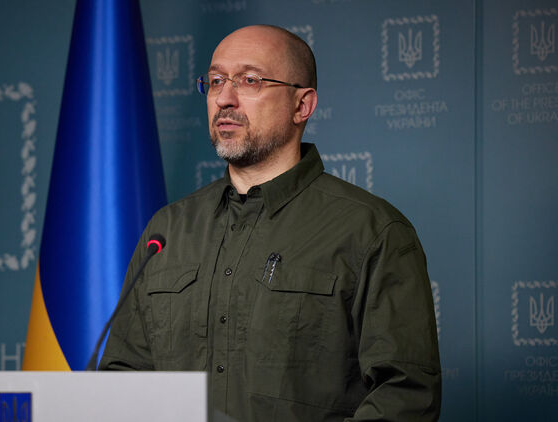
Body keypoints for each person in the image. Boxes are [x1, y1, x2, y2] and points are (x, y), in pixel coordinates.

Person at [99, 25, 441, 421]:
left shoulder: (372, 231)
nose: (224, 98)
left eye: (250, 80)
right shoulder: (168, 230)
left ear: (302, 105)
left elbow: (404, 397)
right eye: (215, 81)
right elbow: (124, 380)